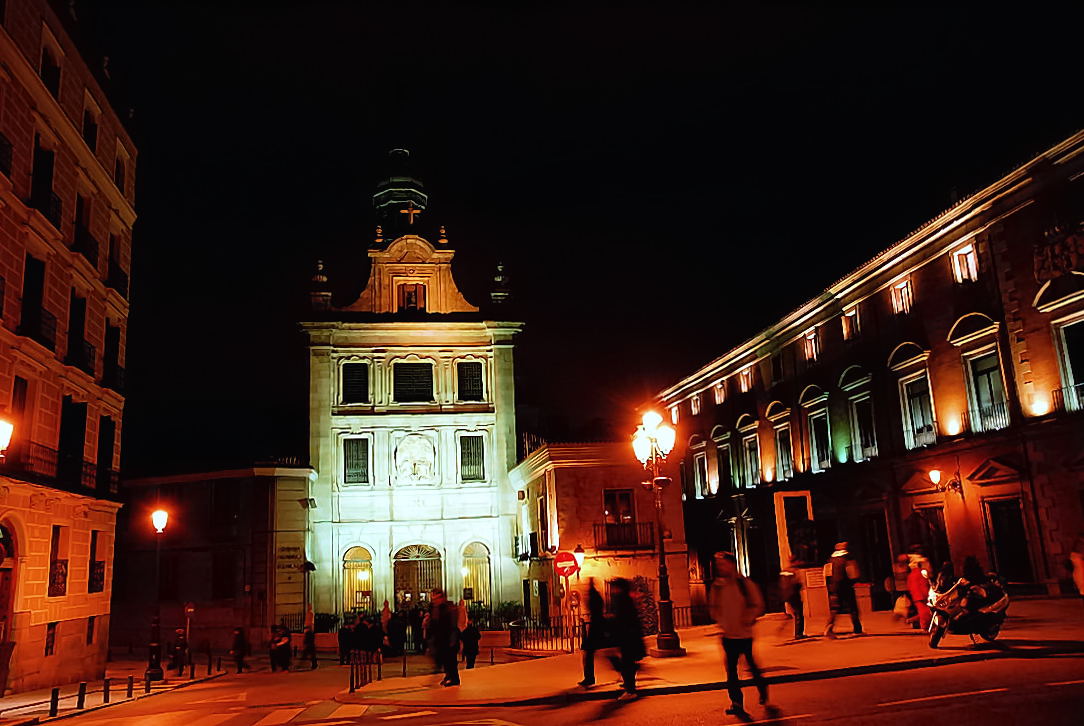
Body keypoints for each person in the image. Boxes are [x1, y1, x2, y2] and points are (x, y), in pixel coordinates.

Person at [710, 551, 768, 717]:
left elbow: (758, 604)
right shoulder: (717, 586)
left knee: (752, 666)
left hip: (744, 635)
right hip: (728, 636)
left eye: (723, 564)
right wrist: (721, 622)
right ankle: (736, 703)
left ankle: (762, 689)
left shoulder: (745, 584)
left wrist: (747, 619)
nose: (720, 568)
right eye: (718, 565)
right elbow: (713, 607)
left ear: (731, 564)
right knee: (731, 672)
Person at [606, 577, 645, 701]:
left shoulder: (623, 600)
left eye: (615, 587)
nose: (613, 590)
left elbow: (622, 619)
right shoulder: (625, 599)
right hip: (628, 636)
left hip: (627, 637)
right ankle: (629, 685)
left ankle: (630, 690)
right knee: (626, 662)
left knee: (626, 663)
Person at [823, 541, 863, 638]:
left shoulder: (830, 561)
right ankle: (857, 629)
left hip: (834, 587)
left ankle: (829, 626)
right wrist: (855, 581)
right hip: (846, 586)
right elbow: (853, 574)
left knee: (835, 608)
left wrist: (830, 586)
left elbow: (826, 574)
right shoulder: (847, 559)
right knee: (853, 608)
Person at [428, 588, 461, 686]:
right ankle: (448, 675)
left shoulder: (449, 608)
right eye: (433, 598)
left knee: (450, 659)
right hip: (440, 638)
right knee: (444, 659)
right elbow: (434, 624)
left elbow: (453, 625)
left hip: (448, 638)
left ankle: (454, 678)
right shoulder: (434, 608)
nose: (434, 601)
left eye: (436, 598)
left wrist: (453, 639)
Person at [579, 578, 606, 687]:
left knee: (588, 653)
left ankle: (589, 678)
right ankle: (589, 677)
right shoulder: (595, 596)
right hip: (597, 626)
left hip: (596, 626)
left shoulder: (593, 596)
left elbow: (596, 611)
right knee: (590, 653)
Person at [778, 556, 805, 640]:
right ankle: (799, 634)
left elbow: (781, 584)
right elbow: (797, 583)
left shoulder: (784, 571)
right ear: (795, 562)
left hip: (787, 595)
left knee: (794, 614)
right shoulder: (794, 571)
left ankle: (794, 632)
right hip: (794, 595)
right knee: (799, 614)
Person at [907, 559, 932, 630]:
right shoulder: (923, 572)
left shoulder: (910, 575)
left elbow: (909, 586)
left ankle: (918, 623)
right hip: (924, 594)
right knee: (926, 611)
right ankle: (924, 626)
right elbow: (927, 583)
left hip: (917, 596)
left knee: (923, 611)